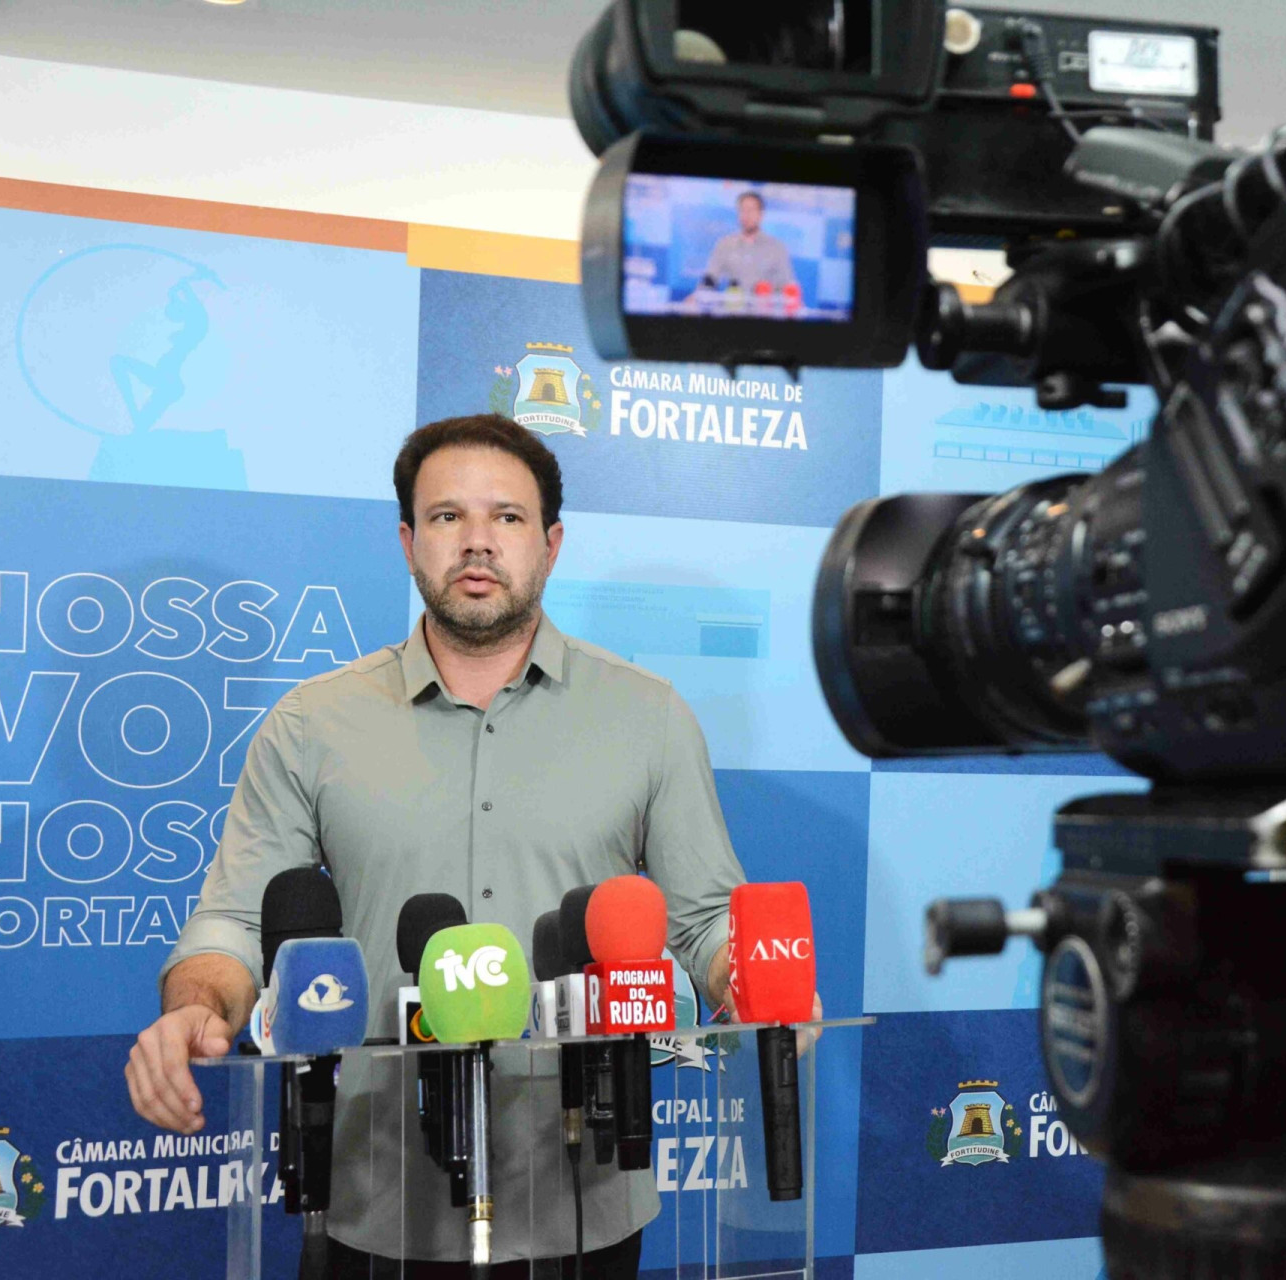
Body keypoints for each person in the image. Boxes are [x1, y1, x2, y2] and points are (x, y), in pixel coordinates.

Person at [124, 414, 814, 1277]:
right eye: (448, 517)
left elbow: (706, 918)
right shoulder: (311, 724)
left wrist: (748, 982)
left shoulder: (650, 717)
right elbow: (232, 923)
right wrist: (197, 1006)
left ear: (552, 544)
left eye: (508, 518)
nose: (478, 542)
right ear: (411, 543)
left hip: (586, 1192)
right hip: (377, 1197)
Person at [699, 190, 794, 295]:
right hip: (732, 308)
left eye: (751, 210)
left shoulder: (776, 248)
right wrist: (697, 296)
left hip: (764, 308)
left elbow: (787, 286)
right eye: (742, 210)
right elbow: (709, 278)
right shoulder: (725, 245)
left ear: (761, 214)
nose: (746, 215)